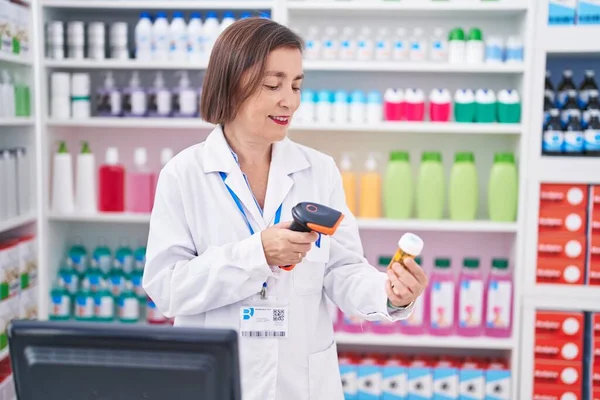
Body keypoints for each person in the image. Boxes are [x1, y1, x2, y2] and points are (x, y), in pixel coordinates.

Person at [143, 17, 428, 400]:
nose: (289, 101)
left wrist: (391, 294)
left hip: (301, 384)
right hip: (219, 382)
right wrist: (256, 254)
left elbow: (342, 270)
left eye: (295, 86)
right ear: (231, 83)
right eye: (273, 85)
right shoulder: (183, 175)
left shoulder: (318, 170)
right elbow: (167, 289)